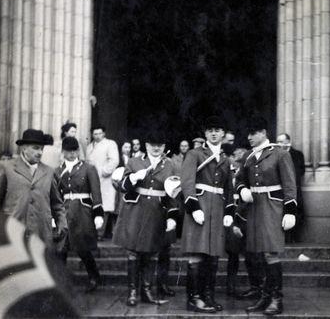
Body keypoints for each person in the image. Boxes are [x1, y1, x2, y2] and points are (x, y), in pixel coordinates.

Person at [235, 116, 297, 315]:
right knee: (257, 252)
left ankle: (276, 299)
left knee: (270, 252)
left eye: (253, 133)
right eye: (249, 134)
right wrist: (243, 189)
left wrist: (290, 211)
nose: (249, 137)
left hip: (272, 206)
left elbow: (289, 184)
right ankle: (264, 296)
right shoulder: (248, 156)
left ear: (263, 132)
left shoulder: (279, 154)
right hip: (254, 207)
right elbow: (239, 179)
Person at [112, 132, 179, 307]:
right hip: (135, 211)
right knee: (133, 253)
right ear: (146, 145)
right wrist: (133, 178)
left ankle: (146, 291)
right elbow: (122, 188)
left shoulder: (170, 165)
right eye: (152, 144)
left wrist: (172, 216)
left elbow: (173, 193)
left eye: (160, 144)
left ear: (164, 147)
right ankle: (132, 292)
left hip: (157, 212)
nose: (156, 148)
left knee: (151, 252)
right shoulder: (134, 162)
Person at [181, 116, 235, 313]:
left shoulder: (225, 158)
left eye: (218, 130)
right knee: (197, 254)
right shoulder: (195, 154)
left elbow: (229, 188)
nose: (214, 133)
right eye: (210, 130)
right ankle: (194, 299)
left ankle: (208, 296)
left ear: (223, 134)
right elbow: (187, 182)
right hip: (200, 208)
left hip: (217, 210)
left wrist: (230, 209)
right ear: (205, 133)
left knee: (213, 255)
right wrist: (193, 206)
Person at [0, 129, 67, 247]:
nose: (39, 152)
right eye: (35, 148)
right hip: (13, 233)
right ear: (24, 148)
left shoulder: (49, 172)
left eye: (41, 149)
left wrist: (62, 224)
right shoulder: (6, 167)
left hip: (41, 235)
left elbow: (57, 204)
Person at [56, 137, 105, 292]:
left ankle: (94, 277)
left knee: (82, 247)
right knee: (61, 247)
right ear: (63, 152)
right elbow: (55, 194)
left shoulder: (88, 168)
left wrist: (98, 213)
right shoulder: (58, 170)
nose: (71, 154)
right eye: (68, 151)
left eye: (74, 151)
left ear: (78, 151)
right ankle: (60, 281)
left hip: (82, 211)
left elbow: (96, 191)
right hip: (64, 211)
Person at [224, 145, 265, 300]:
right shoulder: (228, 174)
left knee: (252, 255)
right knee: (232, 254)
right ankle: (230, 287)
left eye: (243, 160)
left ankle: (257, 287)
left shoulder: (250, 176)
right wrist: (232, 222)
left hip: (247, 218)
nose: (240, 163)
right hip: (232, 217)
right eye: (237, 159)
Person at [86, 126, 120, 239]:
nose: (97, 136)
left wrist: (104, 171)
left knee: (104, 206)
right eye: (95, 134)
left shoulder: (110, 144)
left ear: (104, 134)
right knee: (93, 203)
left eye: (100, 133)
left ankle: (100, 233)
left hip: (104, 179)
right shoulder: (89, 146)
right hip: (91, 179)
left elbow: (114, 160)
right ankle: (93, 232)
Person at [276, 133, 305, 243]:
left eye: (281, 141)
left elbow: (300, 171)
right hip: (280, 188)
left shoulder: (297, 154)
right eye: (277, 141)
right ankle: (285, 238)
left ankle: (294, 237)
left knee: (295, 211)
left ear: (288, 141)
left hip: (294, 188)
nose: (278, 144)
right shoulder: (277, 155)